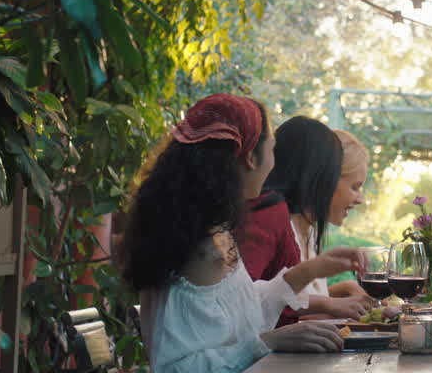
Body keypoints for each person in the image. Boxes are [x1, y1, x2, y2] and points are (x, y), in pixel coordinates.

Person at [119, 94, 366, 372]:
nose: (274, 164)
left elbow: (240, 312)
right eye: (273, 150)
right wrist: (266, 342)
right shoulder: (200, 249)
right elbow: (177, 367)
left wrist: (309, 270)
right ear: (250, 157)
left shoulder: (208, 231)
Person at [240, 116, 372, 323]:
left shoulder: (307, 229)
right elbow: (245, 303)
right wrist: (329, 305)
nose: (361, 199)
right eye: (355, 186)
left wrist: (340, 291)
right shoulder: (271, 217)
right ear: (320, 176)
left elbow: (282, 295)